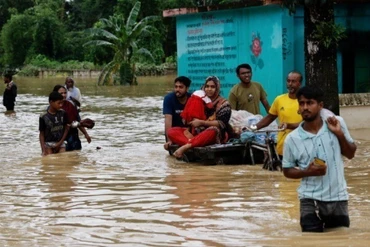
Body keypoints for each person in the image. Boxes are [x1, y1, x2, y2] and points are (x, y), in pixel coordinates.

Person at [282, 86, 357, 232]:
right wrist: (307, 172)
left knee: (339, 239)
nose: (305, 107)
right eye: (302, 103)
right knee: (311, 240)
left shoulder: (337, 123)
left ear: (320, 105)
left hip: (338, 197)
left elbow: (351, 154)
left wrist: (339, 134)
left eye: (310, 103)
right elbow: (287, 171)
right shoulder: (292, 139)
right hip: (309, 198)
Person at [168, 76, 232, 159]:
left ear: (217, 88)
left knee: (213, 130)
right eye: (207, 86)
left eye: (212, 87)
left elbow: (221, 123)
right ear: (204, 87)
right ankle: (195, 142)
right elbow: (187, 120)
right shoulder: (198, 100)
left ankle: (186, 146)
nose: (209, 89)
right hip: (196, 134)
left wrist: (202, 122)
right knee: (172, 131)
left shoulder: (224, 104)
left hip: (214, 134)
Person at [254, 71, 303, 158]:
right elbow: (270, 118)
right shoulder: (279, 99)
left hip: (302, 147)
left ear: (300, 83)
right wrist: (253, 128)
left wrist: (288, 125)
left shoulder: (305, 102)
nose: (290, 84)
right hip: (282, 147)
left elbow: (307, 124)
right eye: (288, 81)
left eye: (293, 81)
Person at [53, 85, 91, 151]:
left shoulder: (71, 105)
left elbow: (77, 120)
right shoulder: (52, 108)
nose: (64, 95)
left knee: (76, 157)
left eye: (65, 93)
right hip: (60, 139)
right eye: (61, 93)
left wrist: (86, 134)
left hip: (73, 137)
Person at [163, 76, 192, 150]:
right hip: (174, 133)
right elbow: (168, 120)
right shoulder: (169, 99)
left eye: (181, 87)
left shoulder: (192, 98)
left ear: (187, 88)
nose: (177, 90)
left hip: (188, 132)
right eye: (176, 87)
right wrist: (169, 141)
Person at [39, 91, 70, 156]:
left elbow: (66, 128)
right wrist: (43, 149)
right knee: (49, 160)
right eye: (59, 103)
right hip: (48, 144)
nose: (61, 105)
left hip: (60, 143)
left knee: (63, 159)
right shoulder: (43, 117)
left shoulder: (63, 113)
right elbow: (41, 134)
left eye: (62, 103)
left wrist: (60, 143)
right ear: (51, 102)